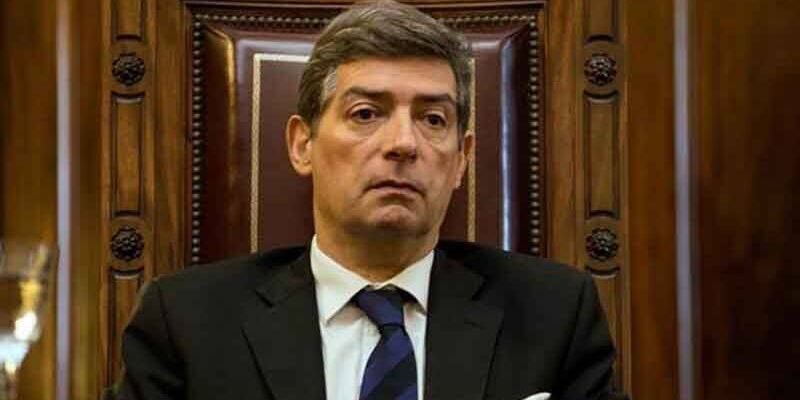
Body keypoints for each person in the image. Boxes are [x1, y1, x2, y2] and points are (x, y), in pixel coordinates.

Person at [119, 1, 621, 399]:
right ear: (302, 144)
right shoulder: (188, 322)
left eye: (433, 119)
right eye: (366, 113)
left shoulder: (554, 315)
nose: (403, 143)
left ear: (461, 160)